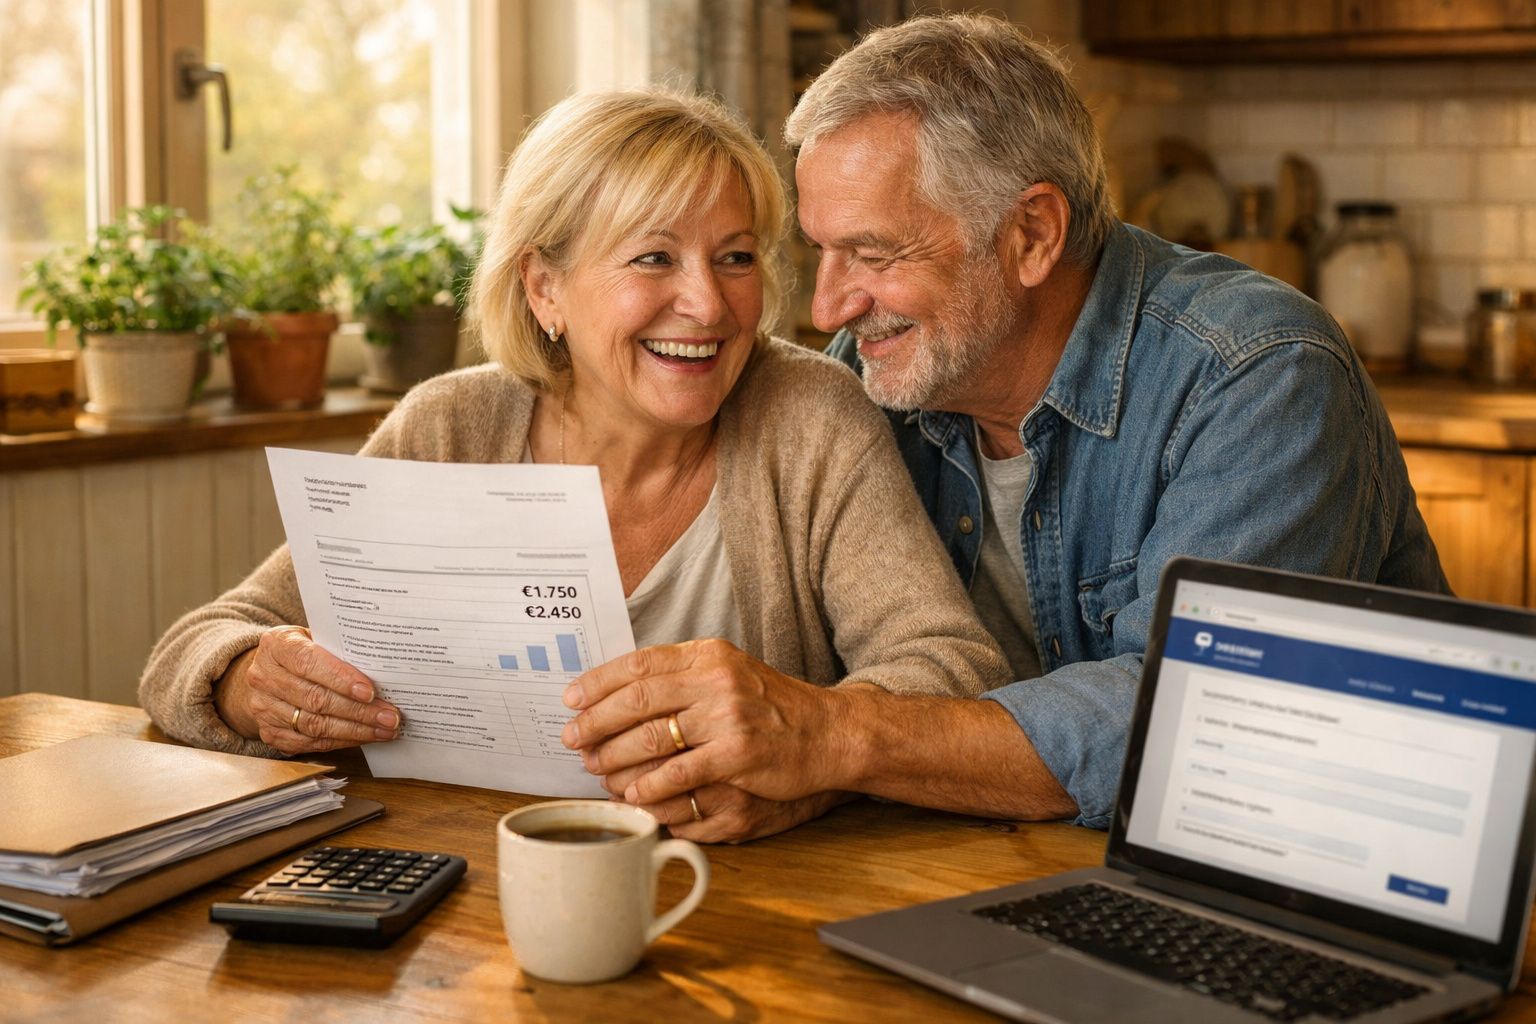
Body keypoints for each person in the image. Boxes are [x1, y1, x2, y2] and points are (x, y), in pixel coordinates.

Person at [560, 14, 1449, 832]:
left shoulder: (1257, 377)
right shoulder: (865, 380)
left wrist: (831, 742)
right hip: (996, 868)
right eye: (818, 252)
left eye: (873, 254)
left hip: (1306, 873)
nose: (830, 305)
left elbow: (1196, 722)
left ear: (1032, 235)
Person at [138, 88, 1010, 843]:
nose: (708, 304)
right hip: (463, 882)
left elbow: (953, 667)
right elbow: (197, 646)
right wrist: (250, 680)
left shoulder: (809, 414)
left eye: (736, 257)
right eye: (654, 257)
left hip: (751, 901)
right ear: (543, 287)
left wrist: (807, 762)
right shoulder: (451, 426)